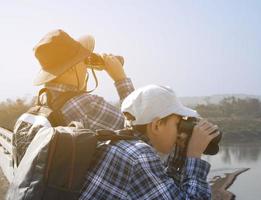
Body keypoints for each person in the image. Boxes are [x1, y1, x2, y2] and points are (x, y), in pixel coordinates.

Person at [12, 29, 134, 166]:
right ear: (71, 68)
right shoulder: (85, 105)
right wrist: (120, 79)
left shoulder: (42, 100)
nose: (86, 68)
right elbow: (138, 132)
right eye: (83, 62)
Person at [79, 84, 220, 200]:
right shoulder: (139, 156)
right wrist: (194, 156)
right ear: (157, 125)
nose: (179, 131)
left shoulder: (123, 145)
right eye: (177, 123)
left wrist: (183, 150)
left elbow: (170, 187)